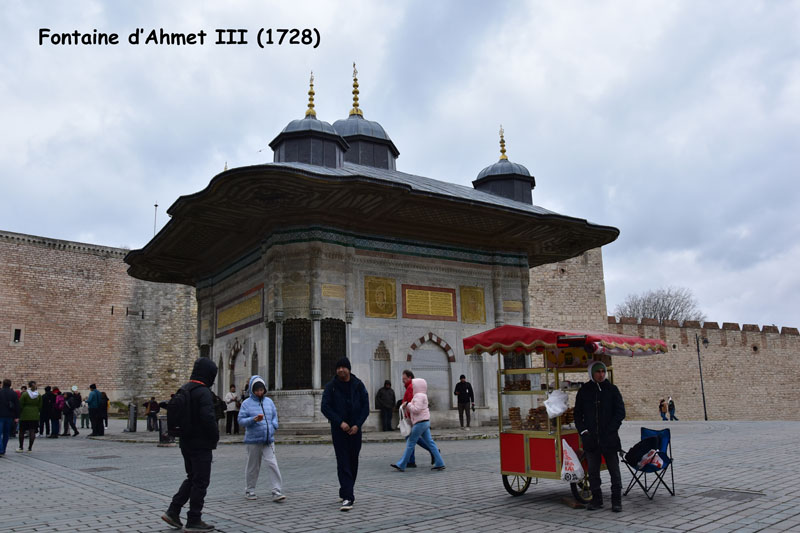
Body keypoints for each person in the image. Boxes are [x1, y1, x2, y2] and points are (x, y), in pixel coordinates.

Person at [161, 357, 219, 532]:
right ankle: (194, 519)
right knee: (200, 481)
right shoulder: (203, 392)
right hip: (201, 444)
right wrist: (214, 437)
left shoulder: (185, 388)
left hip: (185, 442)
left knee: (192, 477)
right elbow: (208, 418)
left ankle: (173, 511)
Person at [574, 361, 625, 512]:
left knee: (614, 471)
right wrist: (584, 431)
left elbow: (620, 412)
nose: (601, 374)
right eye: (598, 372)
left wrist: (611, 429)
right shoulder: (584, 391)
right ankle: (596, 500)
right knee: (593, 472)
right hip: (591, 439)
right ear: (592, 373)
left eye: (603, 371)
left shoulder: (612, 390)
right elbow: (578, 414)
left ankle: (616, 501)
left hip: (609, 438)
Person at [321, 357, 369, 512]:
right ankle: (348, 497)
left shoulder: (358, 385)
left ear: (349, 369)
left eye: (343, 367)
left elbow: (365, 407)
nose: (341, 370)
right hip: (339, 431)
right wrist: (340, 422)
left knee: (353, 461)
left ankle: (345, 490)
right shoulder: (331, 387)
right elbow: (325, 407)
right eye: (338, 367)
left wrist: (357, 425)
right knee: (343, 462)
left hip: (355, 430)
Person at [238, 375, 285, 502]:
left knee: (272, 463)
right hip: (253, 440)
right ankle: (250, 490)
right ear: (252, 390)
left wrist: (274, 426)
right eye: (257, 390)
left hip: (268, 439)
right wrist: (253, 420)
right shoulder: (246, 404)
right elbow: (241, 420)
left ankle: (276, 491)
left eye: (261, 390)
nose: (259, 393)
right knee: (253, 466)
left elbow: (274, 415)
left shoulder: (269, 402)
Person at [391, 378, 446, 472]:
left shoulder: (418, 396)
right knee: (430, 443)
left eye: (414, 385)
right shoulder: (423, 395)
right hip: (425, 422)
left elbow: (416, 409)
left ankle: (401, 464)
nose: (413, 386)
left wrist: (407, 404)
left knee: (410, 443)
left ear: (417, 386)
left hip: (419, 423)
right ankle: (440, 463)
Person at [18, 381, 42, 452]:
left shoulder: (25, 394)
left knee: (22, 431)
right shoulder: (38, 395)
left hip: (25, 414)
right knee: (32, 431)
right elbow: (40, 405)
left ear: (28, 386)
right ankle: (30, 448)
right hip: (34, 414)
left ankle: (21, 447)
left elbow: (21, 404)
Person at [0, 378, 20, 455]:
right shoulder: (13, 393)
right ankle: (3, 449)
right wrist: (17, 416)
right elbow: (17, 405)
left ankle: (0, 449)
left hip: (0, 415)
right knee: (6, 434)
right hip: (10, 416)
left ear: (3, 384)